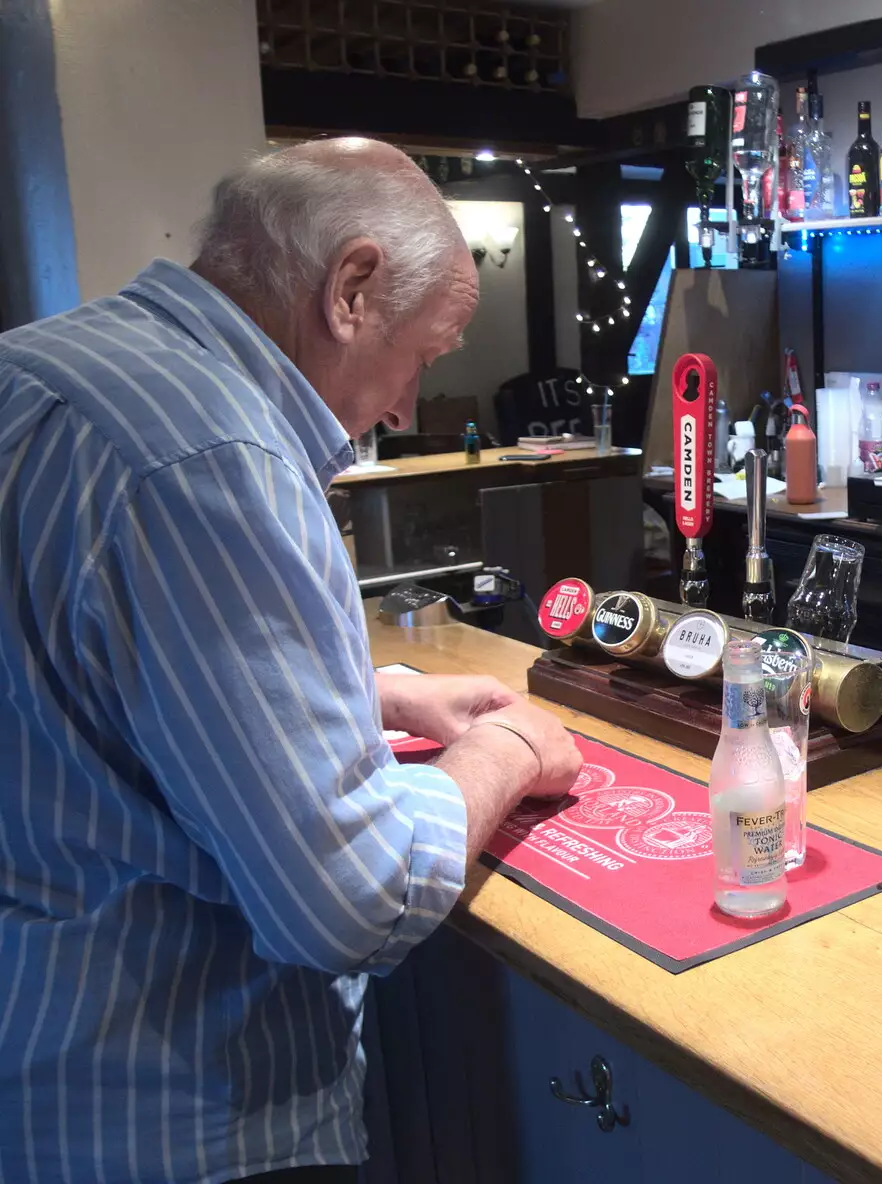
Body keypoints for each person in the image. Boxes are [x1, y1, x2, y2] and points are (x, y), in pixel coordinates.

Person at [0, 138, 581, 1183]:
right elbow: (347, 898)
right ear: (351, 287)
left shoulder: (37, 367)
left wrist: (380, 688)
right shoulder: (217, 459)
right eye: (425, 353)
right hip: (177, 1123)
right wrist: (503, 748)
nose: (405, 408)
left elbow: (74, 672)